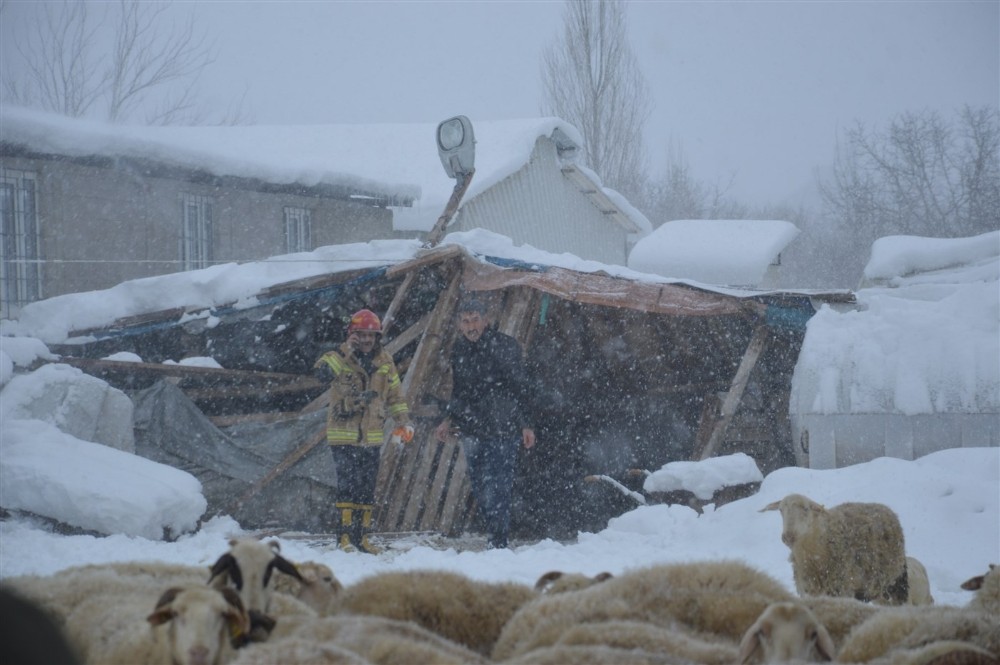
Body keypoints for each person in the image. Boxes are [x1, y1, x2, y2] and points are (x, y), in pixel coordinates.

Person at [434, 297, 536, 549]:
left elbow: (520, 387)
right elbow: (459, 391)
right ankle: (494, 532)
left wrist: (526, 424)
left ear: (486, 320)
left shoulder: (505, 346)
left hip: (503, 426)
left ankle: (498, 540)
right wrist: (448, 419)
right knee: (480, 485)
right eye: (465, 321)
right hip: (472, 429)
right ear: (459, 325)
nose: (471, 326)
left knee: (498, 486)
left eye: (475, 320)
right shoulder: (459, 350)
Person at [313, 308, 413, 553]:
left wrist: (403, 421)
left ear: (378, 337)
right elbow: (322, 374)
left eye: (371, 335)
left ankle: (363, 537)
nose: (367, 340)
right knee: (347, 486)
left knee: (366, 488)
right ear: (352, 334)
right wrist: (346, 349)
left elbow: (395, 396)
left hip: (372, 437)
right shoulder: (338, 357)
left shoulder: (385, 361)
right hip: (343, 436)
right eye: (362, 334)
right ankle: (345, 537)